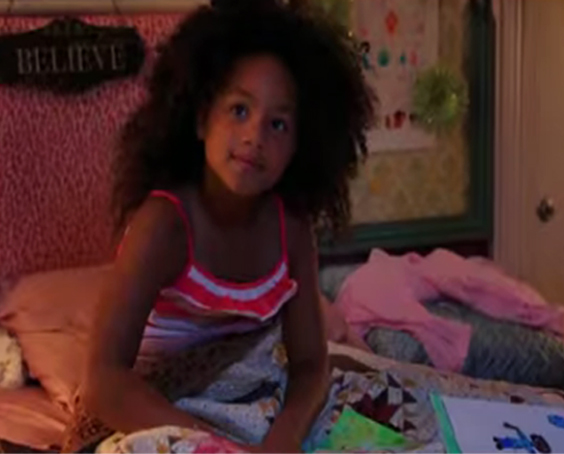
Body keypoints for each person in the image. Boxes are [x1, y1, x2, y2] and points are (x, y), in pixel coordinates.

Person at [82, 1, 374, 452]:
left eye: (278, 124)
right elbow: (104, 382)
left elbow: (310, 365)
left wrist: (284, 439)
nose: (255, 136)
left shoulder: (292, 228)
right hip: (160, 410)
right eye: (239, 110)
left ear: (300, 146)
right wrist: (216, 448)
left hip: (254, 400)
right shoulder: (163, 225)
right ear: (201, 119)